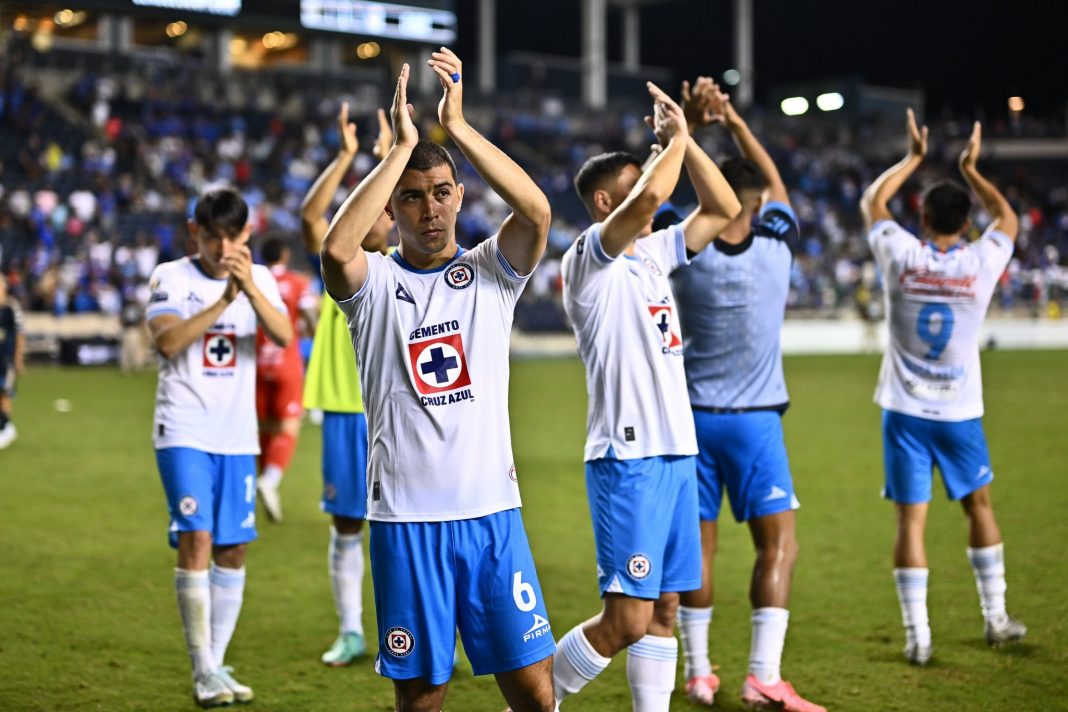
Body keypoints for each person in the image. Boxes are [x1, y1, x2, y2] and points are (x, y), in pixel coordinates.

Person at [319, 51, 556, 711]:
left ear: (460, 196)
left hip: (491, 519)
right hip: (407, 522)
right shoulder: (375, 285)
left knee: (537, 694)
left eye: (443, 192)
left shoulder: (489, 273)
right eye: (414, 197)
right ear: (393, 207)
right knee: (422, 699)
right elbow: (336, 253)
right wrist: (398, 150)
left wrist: (456, 127)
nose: (431, 209)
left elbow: (537, 213)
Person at [552, 83, 740, 712]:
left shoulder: (653, 255)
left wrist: (682, 143)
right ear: (606, 202)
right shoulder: (588, 260)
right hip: (627, 459)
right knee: (626, 620)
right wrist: (676, 139)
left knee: (665, 606)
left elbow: (722, 207)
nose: (651, 191)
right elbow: (657, 193)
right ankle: (531, 702)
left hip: (677, 453)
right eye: (635, 183)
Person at [670, 78, 825, 712]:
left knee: (700, 550)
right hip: (756, 423)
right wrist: (732, 120)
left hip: (690, 421)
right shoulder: (777, 244)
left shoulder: (679, 249)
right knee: (778, 543)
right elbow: (777, 183)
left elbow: (666, 184)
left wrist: (694, 131)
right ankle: (762, 674)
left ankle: (699, 672)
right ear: (756, 205)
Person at [860, 111, 1025, 665]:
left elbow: (871, 205)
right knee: (979, 505)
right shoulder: (981, 262)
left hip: (904, 410)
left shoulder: (901, 255)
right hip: (959, 412)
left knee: (911, 521)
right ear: (965, 220)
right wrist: (972, 170)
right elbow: (1009, 218)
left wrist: (910, 158)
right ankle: (996, 618)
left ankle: (918, 637)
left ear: (923, 216)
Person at [146, 188, 293, 707]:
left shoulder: (262, 279)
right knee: (198, 539)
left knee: (233, 548)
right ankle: (202, 666)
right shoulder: (171, 275)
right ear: (195, 232)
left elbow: (282, 336)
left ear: (247, 235)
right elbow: (167, 342)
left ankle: (216, 662)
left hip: (237, 436)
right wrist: (226, 299)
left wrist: (249, 287)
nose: (221, 247)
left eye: (231, 237)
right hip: (184, 429)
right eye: (211, 237)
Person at [300, 101, 393, 666]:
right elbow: (313, 216)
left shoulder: (402, 264)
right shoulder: (344, 265)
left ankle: (411, 629)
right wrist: (347, 157)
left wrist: (391, 157)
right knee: (346, 524)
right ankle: (352, 630)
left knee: (408, 522)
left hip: (395, 409)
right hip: (342, 405)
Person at [254, 235, 316, 523]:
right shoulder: (296, 282)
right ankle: (270, 481)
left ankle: (260, 479)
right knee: (288, 427)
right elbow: (307, 313)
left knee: (264, 427)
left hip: (256, 361)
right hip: (286, 361)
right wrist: (312, 331)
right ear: (285, 254)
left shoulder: (252, 281)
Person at [0, 273, 25, 449]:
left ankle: (6, 428)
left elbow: (19, 335)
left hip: (5, 360)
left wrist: (18, 359)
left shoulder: (11, 308)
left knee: (5, 394)